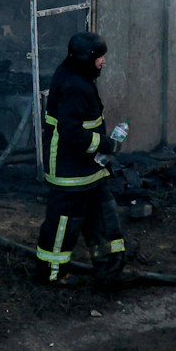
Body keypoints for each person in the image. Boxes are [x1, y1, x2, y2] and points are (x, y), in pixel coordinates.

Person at [35, 30, 128, 289]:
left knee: (103, 216)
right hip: (69, 168)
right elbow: (72, 132)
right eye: (99, 57)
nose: (103, 61)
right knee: (64, 222)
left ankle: (110, 272)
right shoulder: (73, 85)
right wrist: (107, 144)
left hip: (91, 167)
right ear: (85, 57)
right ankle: (52, 274)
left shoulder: (80, 76)